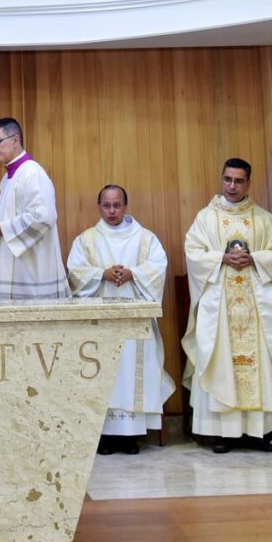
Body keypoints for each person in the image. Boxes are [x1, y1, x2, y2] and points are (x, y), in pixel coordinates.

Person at [182, 157, 272, 453]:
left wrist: (256, 258)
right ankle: (222, 432)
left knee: (262, 362)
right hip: (220, 307)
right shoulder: (206, 218)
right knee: (220, 360)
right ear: (222, 179)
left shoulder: (264, 219)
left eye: (239, 181)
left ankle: (262, 431)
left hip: (255, 308)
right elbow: (192, 252)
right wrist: (221, 258)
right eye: (228, 179)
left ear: (248, 183)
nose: (232, 186)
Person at [67, 185, 175, 454]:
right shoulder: (87, 239)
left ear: (126, 206)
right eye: (106, 205)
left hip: (134, 320)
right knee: (106, 372)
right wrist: (101, 274)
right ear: (99, 206)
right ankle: (104, 436)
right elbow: (75, 272)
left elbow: (157, 267)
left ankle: (131, 436)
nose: (112, 211)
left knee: (131, 372)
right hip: (101, 321)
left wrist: (133, 274)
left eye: (117, 205)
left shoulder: (146, 239)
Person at [0, 117, 70, 300]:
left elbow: (44, 217)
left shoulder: (32, 173)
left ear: (15, 140)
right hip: (15, 264)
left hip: (32, 271)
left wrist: (2, 228)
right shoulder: (8, 178)